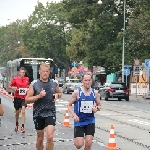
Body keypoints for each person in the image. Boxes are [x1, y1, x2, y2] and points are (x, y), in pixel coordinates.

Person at [25, 63, 62, 150]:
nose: (45, 73)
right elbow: (27, 99)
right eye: (43, 71)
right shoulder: (34, 84)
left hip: (50, 112)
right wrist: (39, 96)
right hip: (38, 113)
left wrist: (57, 95)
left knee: (50, 137)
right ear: (39, 72)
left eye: (47, 71)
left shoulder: (54, 83)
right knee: (40, 139)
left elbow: (59, 93)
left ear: (49, 72)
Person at [68, 73, 101, 150]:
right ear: (82, 81)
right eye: (85, 80)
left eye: (89, 80)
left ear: (91, 81)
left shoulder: (95, 93)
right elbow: (69, 105)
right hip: (79, 121)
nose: (87, 82)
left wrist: (96, 108)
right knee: (79, 145)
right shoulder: (77, 93)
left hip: (90, 121)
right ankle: (77, 140)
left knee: (88, 143)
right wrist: (74, 115)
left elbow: (99, 105)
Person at [9, 67, 29, 133]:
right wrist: (13, 88)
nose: (22, 74)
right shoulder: (15, 79)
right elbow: (10, 86)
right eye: (21, 72)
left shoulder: (27, 79)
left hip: (24, 98)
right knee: (17, 112)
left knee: (23, 111)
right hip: (17, 97)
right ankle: (16, 123)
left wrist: (28, 89)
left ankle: (22, 126)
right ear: (19, 73)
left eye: (23, 72)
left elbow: (28, 86)